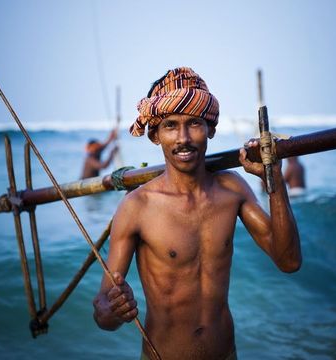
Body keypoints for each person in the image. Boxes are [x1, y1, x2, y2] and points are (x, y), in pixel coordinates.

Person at [92, 67, 301, 360]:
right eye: (170, 126)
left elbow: (289, 261)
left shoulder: (233, 189)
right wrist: (112, 309)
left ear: (211, 130)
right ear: (155, 135)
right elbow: (103, 314)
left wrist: (274, 179)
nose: (183, 138)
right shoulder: (137, 206)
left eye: (194, 123)